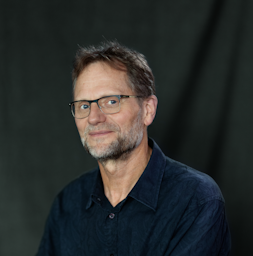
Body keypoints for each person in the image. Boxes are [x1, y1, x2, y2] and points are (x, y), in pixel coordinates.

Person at [37, 41, 231, 256]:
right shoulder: (67, 205)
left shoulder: (196, 200)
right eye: (84, 105)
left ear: (147, 110)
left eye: (111, 101)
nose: (93, 117)